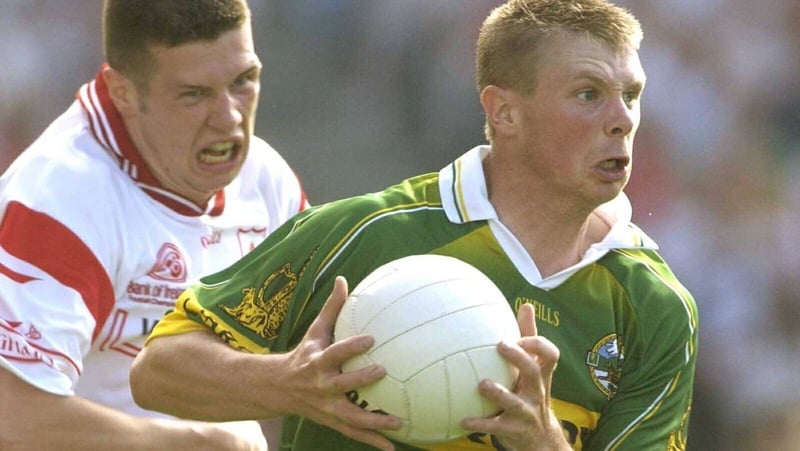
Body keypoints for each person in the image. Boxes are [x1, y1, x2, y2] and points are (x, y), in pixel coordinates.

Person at [130, 0, 699, 450]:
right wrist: (289, 384)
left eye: (631, 96)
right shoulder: (372, 233)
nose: (623, 120)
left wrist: (543, 443)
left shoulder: (654, 305)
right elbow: (158, 370)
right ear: (503, 111)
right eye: (588, 94)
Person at [0, 0, 309, 449]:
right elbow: (11, 419)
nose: (228, 118)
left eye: (243, 81)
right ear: (122, 92)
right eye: (194, 94)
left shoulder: (265, 181)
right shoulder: (62, 200)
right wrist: (185, 444)